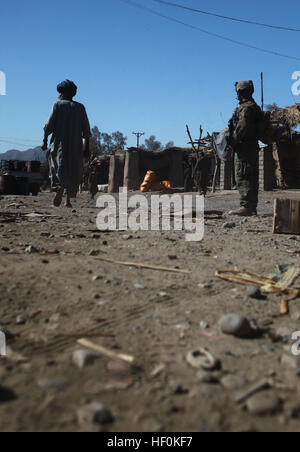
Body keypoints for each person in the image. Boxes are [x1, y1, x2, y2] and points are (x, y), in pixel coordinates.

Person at [42, 80, 91, 207]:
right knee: (73, 170)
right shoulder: (80, 107)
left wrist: (45, 141)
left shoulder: (57, 105)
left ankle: (59, 188)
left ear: (62, 93)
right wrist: (87, 148)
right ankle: (67, 200)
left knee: (58, 167)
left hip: (60, 144)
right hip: (76, 145)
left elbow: (48, 126)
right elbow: (86, 129)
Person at [228, 80, 262, 216]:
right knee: (251, 176)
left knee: (244, 175)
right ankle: (250, 206)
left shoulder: (247, 108)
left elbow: (242, 128)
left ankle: (247, 206)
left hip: (245, 147)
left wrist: (233, 141)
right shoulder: (253, 106)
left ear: (241, 92)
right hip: (250, 146)